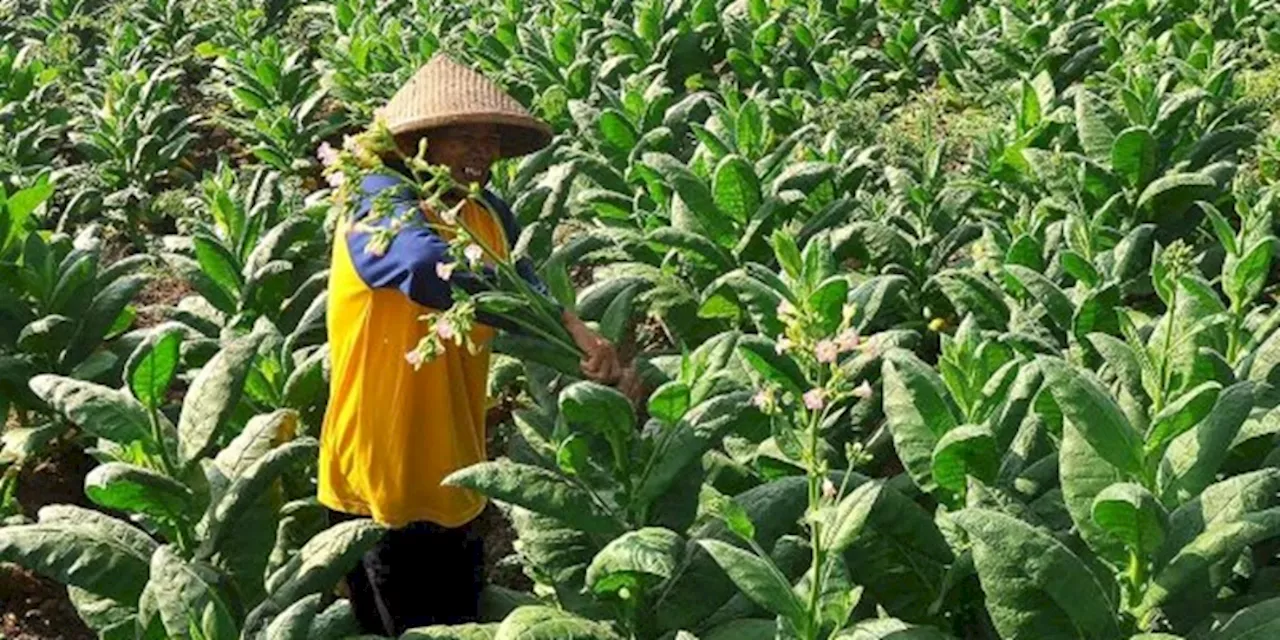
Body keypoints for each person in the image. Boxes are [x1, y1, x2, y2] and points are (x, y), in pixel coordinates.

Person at [318, 54, 631, 635]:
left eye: (491, 139)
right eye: (465, 136)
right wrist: (526, 310)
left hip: (459, 467)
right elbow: (421, 266)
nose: (482, 152)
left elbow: (526, 282)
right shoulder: (375, 199)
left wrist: (573, 327)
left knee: (459, 618)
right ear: (417, 141)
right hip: (383, 478)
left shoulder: (485, 210)